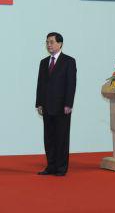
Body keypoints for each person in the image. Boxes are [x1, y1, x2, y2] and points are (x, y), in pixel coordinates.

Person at [36, 32, 76, 176]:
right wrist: (39, 103)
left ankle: (61, 168)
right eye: (47, 42)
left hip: (62, 107)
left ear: (60, 44)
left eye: (51, 42)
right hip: (47, 106)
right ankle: (50, 166)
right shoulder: (43, 62)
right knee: (49, 138)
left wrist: (68, 104)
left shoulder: (69, 61)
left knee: (61, 138)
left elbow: (71, 84)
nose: (49, 45)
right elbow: (40, 84)